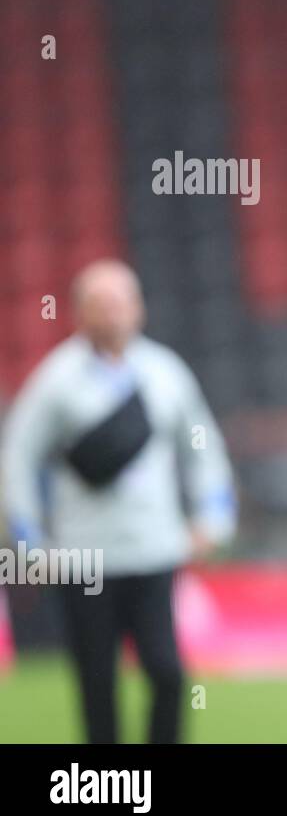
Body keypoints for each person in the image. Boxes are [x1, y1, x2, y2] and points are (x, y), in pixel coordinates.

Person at [1, 259, 236, 743]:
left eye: (120, 302)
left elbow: (202, 446)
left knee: (167, 672)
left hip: (153, 551)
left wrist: (213, 516)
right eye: (99, 304)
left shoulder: (166, 373)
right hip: (86, 558)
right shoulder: (57, 380)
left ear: (139, 308)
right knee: (96, 682)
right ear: (78, 313)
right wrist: (28, 537)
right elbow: (19, 455)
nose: (111, 314)